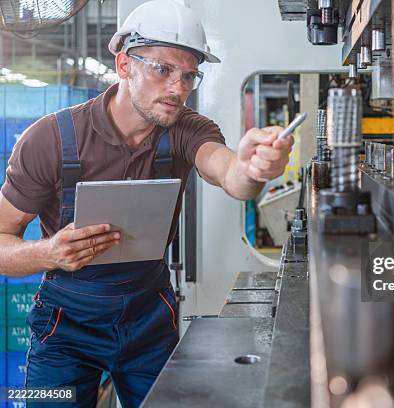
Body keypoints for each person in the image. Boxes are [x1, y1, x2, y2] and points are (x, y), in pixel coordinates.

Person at [0, 1, 293, 406]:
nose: (178, 88)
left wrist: (252, 168)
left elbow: (229, 175)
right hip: (65, 330)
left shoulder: (187, 128)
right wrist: (47, 252)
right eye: (163, 69)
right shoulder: (49, 140)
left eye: (189, 75)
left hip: (149, 321)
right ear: (124, 65)